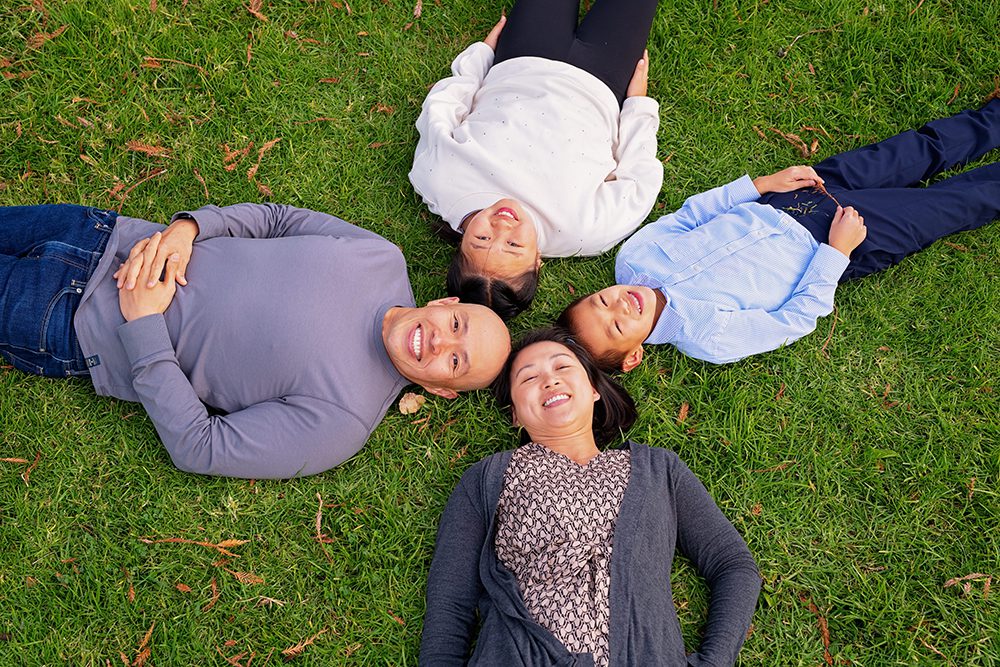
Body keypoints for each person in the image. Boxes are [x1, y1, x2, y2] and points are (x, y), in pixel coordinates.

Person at [0, 203, 511, 479]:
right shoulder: (381, 257)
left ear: (445, 390)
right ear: (447, 305)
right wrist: (189, 228)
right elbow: (277, 220)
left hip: (71, 321)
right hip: (103, 231)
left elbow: (200, 447)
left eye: (456, 364)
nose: (441, 343)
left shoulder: (342, 423)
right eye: (458, 327)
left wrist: (143, 325)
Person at [558, 100, 1000, 368]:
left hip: (791, 196)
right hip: (837, 237)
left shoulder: (635, 259)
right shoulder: (706, 337)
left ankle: (991, 119)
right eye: (617, 326)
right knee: (954, 204)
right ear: (633, 355)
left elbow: (693, 214)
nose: (620, 304)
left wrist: (761, 185)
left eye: (601, 300)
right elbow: (795, 319)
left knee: (913, 150)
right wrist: (837, 251)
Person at [420, 328, 760, 666]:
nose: (549, 381)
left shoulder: (660, 472)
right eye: (528, 378)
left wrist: (715, 661)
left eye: (563, 367)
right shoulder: (487, 478)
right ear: (515, 414)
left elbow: (733, 564)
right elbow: (450, 600)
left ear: (594, 389)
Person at [409, 0, 665, 320]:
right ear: (537, 260)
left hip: (524, 54)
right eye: (514, 246)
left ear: (461, 244)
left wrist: (482, 55)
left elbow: (443, 108)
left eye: (482, 238)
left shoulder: (438, 181)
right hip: (605, 80)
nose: (503, 225)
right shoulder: (582, 231)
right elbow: (640, 181)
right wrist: (637, 105)